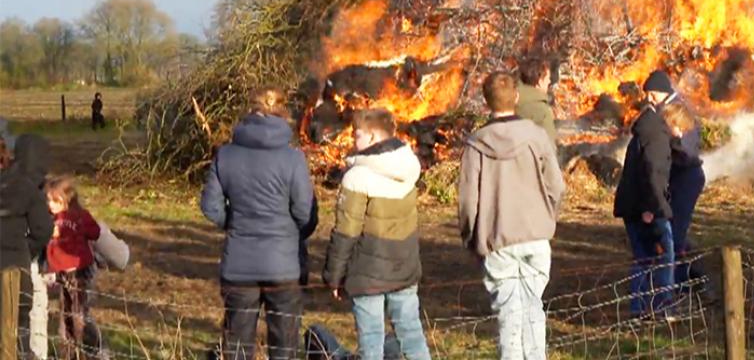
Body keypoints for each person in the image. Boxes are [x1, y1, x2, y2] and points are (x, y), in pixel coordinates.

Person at [201, 87, 318, 360]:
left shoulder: (226, 155)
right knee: (285, 347)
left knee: (238, 347)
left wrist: (235, 224)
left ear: (249, 112)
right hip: (284, 266)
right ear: (282, 114)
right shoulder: (293, 158)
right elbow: (304, 211)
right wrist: (291, 235)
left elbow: (210, 206)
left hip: (239, 265)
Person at [458, 71, 564, 359]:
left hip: (498, 239)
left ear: (486, 102)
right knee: (533, 308)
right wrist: (546, 217)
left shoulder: (476, 143)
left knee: (508, 313)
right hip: (535, 235)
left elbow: (469, 200)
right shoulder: (536, 136)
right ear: (516, 97)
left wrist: (471, 236)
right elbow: (556, 185)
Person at [324, 108, 432, 360]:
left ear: (372, 137)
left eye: (357, 134)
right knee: (412, 335)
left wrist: (334, 276)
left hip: (367, 273)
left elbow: (346, 232)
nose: (352, 139)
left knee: (371, 342)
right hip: (404, 268)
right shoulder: (408, 168)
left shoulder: (357, 177)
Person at [613, 70, 678, 317]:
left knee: (643, 258)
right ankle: (663, 307)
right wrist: (652, 208)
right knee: (665, 254)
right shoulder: (656, 133)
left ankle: (639, 310)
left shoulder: (646, 126)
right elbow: (653, 173)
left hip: (635, 205)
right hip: (648, 206)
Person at [0, 134, 53, 360]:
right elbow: (43, 229)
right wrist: (25, 249)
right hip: (16, 270)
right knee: (19, 338)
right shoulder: (26, 187)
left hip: (14, 270)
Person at [45, 176, 101, 360]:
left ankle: (91, 351)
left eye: (55, 200)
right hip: (62, 274)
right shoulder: (49, 219)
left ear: (67, 198)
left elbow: (95, 232)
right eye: (48, 200)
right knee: (66, 315)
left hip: (80, 273)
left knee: (80, 316)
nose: (51, 204)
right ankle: (68, 353)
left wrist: (81, 228)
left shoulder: (79, 215)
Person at [662, 96, 706, 289]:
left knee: (676, 230)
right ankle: (689, 274)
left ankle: (683, 280)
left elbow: (683, 158)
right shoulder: (672, 140)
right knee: (674, 229)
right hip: (684, 179)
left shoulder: (678, 144)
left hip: (688, 181)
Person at [515, 57, 557, 147]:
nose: (549, 81)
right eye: (547, 78)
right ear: (539, 81)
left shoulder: (507, 102)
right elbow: (549, 150)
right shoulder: (542, 111)